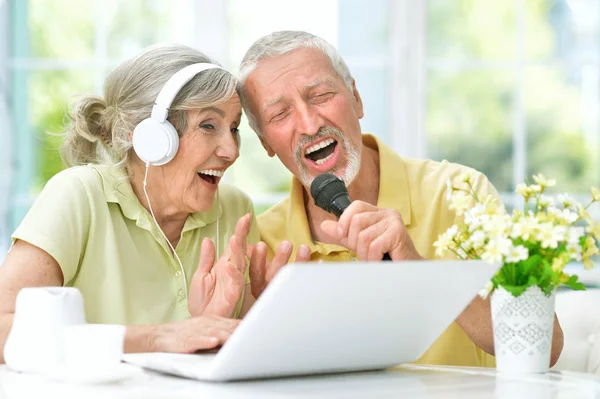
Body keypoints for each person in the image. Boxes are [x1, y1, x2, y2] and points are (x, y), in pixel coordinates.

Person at [236, 31, 565, 367]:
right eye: (279, 114)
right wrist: (266, 330)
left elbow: (547, 345)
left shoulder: (460, 192)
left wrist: (417, 270)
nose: (308, 124)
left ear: (356, 98)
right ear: (264, 143)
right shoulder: (261, 243)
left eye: (320, 95)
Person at [0, 44, 306, 364]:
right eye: (208, 125)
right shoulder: (79, 195)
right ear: (149, 136)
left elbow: (226, 351)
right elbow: (4, 332)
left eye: (233, 128)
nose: (231, 150)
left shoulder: (233, 208)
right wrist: (156, 337)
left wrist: (259, 312)